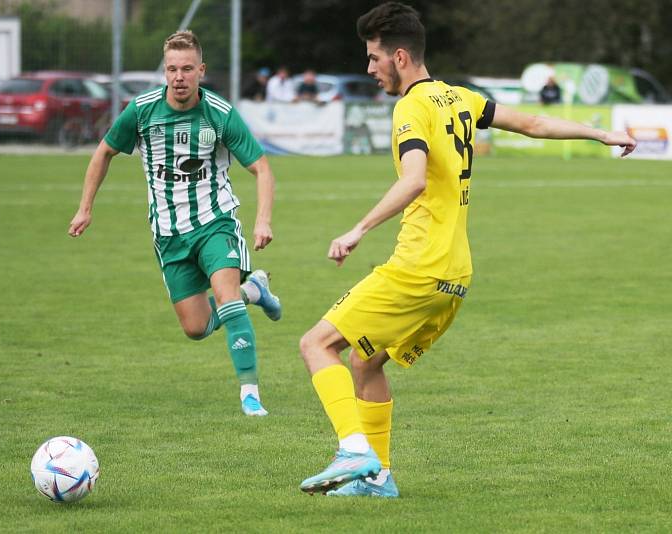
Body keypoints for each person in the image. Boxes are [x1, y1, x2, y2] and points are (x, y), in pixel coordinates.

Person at [297, 2, 636, 497]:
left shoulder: (411, 107)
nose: (369, 69)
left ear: (399, 56)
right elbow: (534, 124)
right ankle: (378, 480)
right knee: (365, 363)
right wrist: (600, 133)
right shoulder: (460, 99)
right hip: (455, 274)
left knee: (316, 345)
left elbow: (413, 180)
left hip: (418, 266)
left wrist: (357, 229)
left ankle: (353, 449)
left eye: (374, 59)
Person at [69, 30, 281, 416]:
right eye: (171, 69)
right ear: (164, 72)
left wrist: (262, 220)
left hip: (215, 221)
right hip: (168, 234)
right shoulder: (142, 110)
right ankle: (256, 290)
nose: (179, 77)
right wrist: (85, 208)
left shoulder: (220, 113)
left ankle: (250, 393)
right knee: (196, 328)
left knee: (226, 301)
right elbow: (104, 152)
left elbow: (261, 168)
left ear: (201, 70)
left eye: (186, 68)